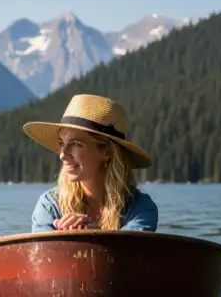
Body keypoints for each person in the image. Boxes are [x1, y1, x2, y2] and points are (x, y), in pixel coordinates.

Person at [23, 94, 158, 232]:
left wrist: (94, 235)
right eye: (61, 143)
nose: (63, 155)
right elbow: (42, 246)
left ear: (106, 151)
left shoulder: (140, 207)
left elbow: (130, 244)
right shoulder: (50, 205)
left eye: (75, 144)